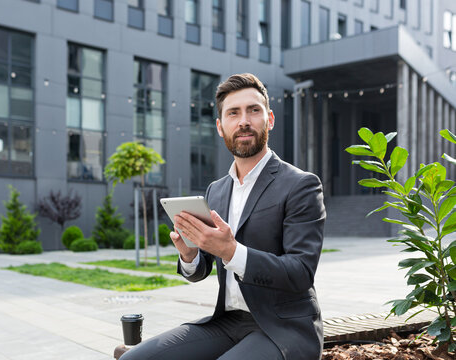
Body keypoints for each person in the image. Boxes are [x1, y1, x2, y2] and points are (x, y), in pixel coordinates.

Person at [121, 73, 326, 360]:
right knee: (133, 359)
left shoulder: (301, 184)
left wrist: (232, 251)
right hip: (227, 323)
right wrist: (190, 255)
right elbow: (202, 268)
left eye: (253, 110)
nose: (244, 120)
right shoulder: (216, 191)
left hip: (284, 328)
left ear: (270, 120)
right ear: (220, 127)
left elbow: (301, 272)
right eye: (233, 113)